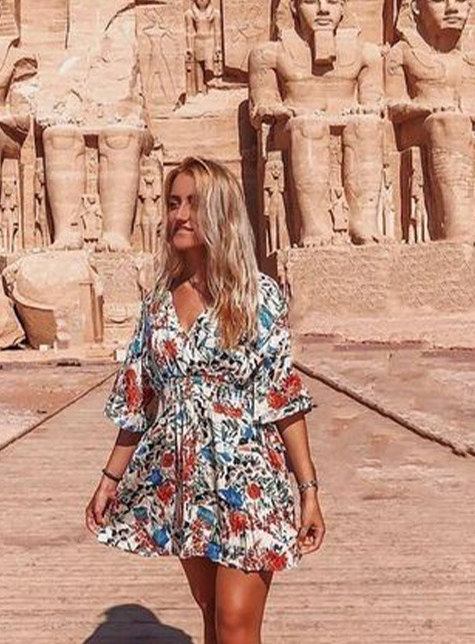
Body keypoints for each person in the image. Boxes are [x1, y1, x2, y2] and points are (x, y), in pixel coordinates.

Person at [85, 156, 326, 644]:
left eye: (193, 204)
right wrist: (110, 478)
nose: (179, 215)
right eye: (174, 203)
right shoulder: (158, 302)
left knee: (235, 624)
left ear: (220, 212)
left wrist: (309, 491)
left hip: (248, 478)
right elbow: (138, 397)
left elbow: (283, 395)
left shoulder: (257, 296)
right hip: (183, 480)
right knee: (212, 613)